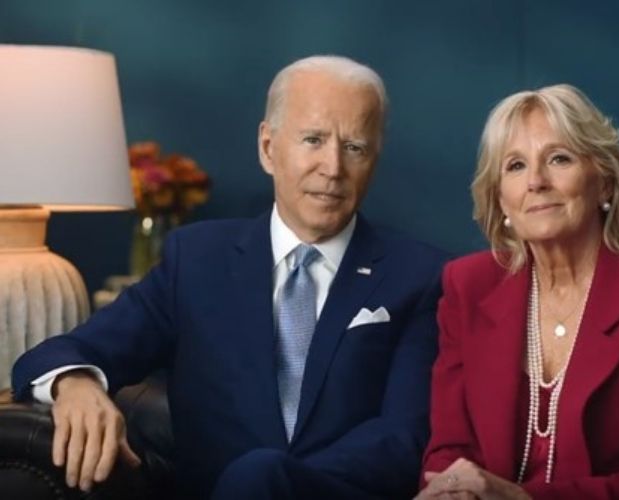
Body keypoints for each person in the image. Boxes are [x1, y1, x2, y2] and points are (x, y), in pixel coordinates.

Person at [12, 55, 447, 499]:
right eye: (313, 140)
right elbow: (65, 351)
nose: (333, 167)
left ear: (374, 158)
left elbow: (402, 436)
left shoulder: (420, 275)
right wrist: (76, 384)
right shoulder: (197, 260)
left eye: (354, 147)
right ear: (267, 147)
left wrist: (277, 483)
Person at [416, 84, 619, 499]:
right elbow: (449, 449)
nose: (536, 181)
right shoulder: (467, 285)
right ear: (501, 200)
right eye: (515, 166)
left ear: (605, 184)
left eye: (559, 158)